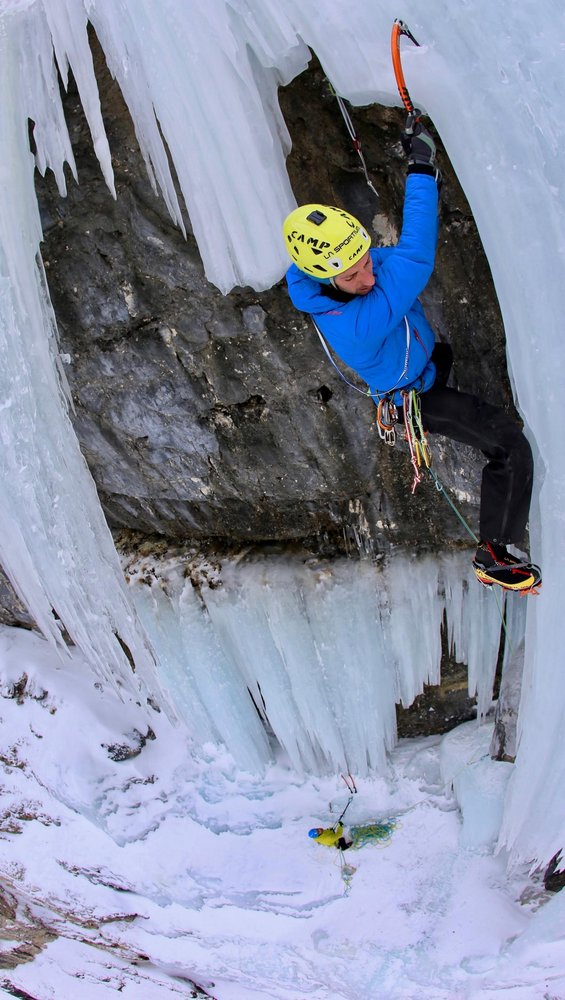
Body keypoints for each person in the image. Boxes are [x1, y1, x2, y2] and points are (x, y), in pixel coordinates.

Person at [282, 116, 541, 593]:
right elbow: (416, 256)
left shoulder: (336, 273)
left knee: (444, 354)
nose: (369, 277)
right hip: (414, 399)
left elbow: (390, 264)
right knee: (509, 444)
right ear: (324, 279)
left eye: (366, 261)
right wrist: (421, 167)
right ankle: (495, 553)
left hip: (423, 365)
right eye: (353, 276)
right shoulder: (356, 324)